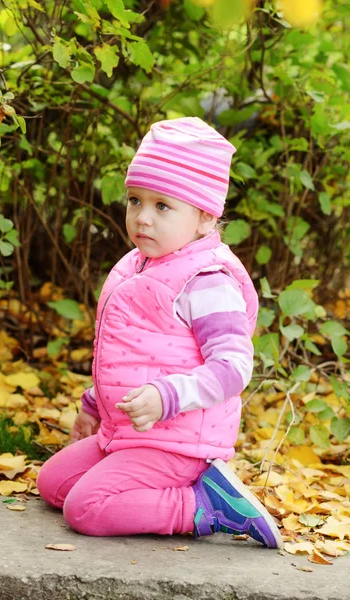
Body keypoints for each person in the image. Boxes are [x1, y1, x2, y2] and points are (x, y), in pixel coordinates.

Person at [37, 117, 283, 549]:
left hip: (179, 443)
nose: (142, 218)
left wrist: (168, 396)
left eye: (162, 206)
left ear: (205, 217)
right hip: (131, 430)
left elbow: (234, 367)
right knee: (53, 484)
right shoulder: (139, 263)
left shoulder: (207, 280)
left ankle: (204, 507)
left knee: (84, 508)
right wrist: (95, 406)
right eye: (135, 200)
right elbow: (131, 352)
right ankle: (146, 487)